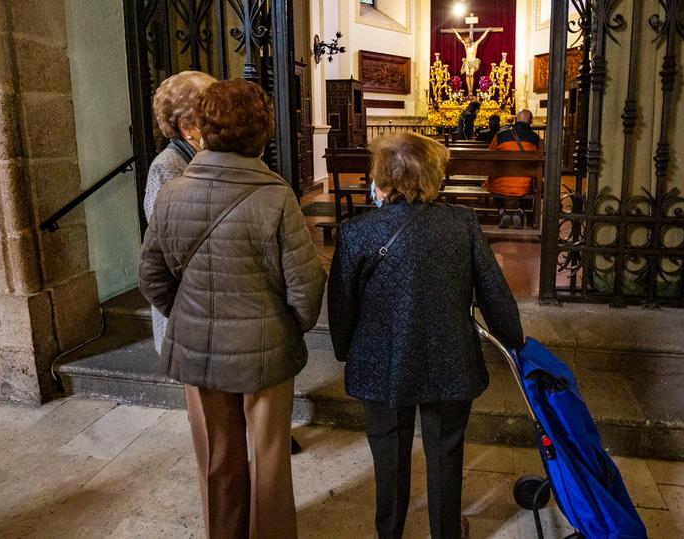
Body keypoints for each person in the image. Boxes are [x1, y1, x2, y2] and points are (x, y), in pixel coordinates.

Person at [139, 79, 326, 539]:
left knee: (219, 460)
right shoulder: (277, 195)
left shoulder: (172, 194)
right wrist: (289, 326)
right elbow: (306, 286)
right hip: (265, 351)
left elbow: (152, 278)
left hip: (200, 351)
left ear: (203, 127)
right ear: (262, 132)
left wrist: (189, 315)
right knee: (269, 461)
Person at [327, 132, 524, 539]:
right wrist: (515, 340)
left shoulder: (357, 232)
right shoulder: (462, 224)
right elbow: (495, 294)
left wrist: (347, 350)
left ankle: (390, 533)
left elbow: (342, 305)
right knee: (445, 450)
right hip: (448, 358)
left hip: (382, 361)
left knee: (388, 454)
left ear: (383, 178)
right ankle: (446, 531)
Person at [144, 70, 216, 354]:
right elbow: (169, 251)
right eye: (208, 114)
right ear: (187, 126)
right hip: (186, 314)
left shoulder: (199, 159)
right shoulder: (168, 166)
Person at [483, 109, 541, 228]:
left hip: (501, 183)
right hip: (524, 185)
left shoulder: (500, 135)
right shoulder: (535, 138)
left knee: (492, 182)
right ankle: (519, 212)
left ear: (516, 120)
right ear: (530, 122)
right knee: (533, 184)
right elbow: (537, 162)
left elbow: (489, 156)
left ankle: (502, 211)